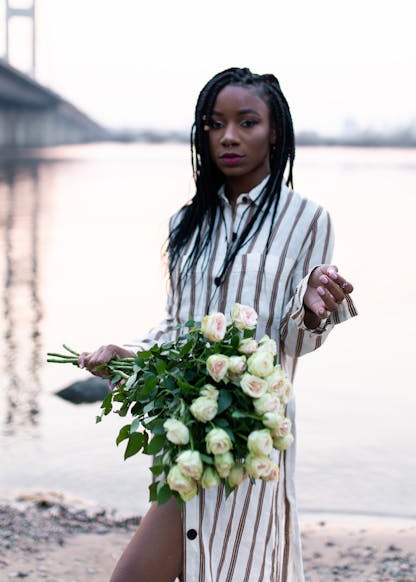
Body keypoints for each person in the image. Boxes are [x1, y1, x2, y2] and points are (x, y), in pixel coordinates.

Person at [79, 67, 357, 582]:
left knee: (238, 565)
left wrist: (316, 308)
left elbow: (293, 343)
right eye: (214, 123)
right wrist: (126, 353)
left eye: (246, 122)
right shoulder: (186, 223)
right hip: (184, 424)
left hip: (250, 434)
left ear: (274, 131)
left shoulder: (308, 220)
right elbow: (176, 327)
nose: (227, 136)